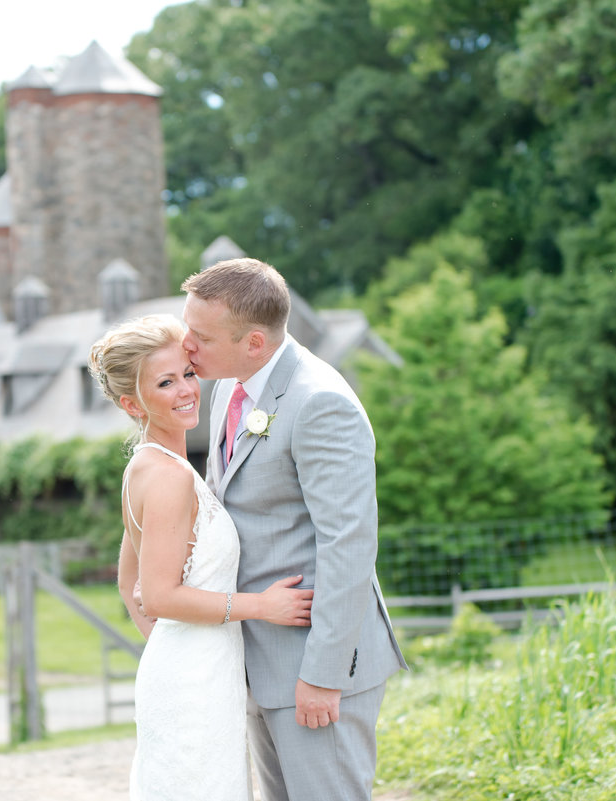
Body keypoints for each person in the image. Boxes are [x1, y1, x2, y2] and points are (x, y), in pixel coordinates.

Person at [181, 258, 409, 801]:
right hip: (260, 658)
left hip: (314, 664)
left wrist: (324, 675)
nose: (185, 345)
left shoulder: (319, 403)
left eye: (200, 336)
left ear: (254, 342)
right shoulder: (228, 389)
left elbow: (349, 545)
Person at [87, 313, 314, 801]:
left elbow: (131, 584)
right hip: (193, 687)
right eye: (165, 382)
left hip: (193, 673)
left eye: (187, 374)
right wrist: (260, 606)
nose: (187, 389)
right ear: (132, 403)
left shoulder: (148, 466)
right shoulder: (167, 477)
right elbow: (161, 595)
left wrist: (175, 649)